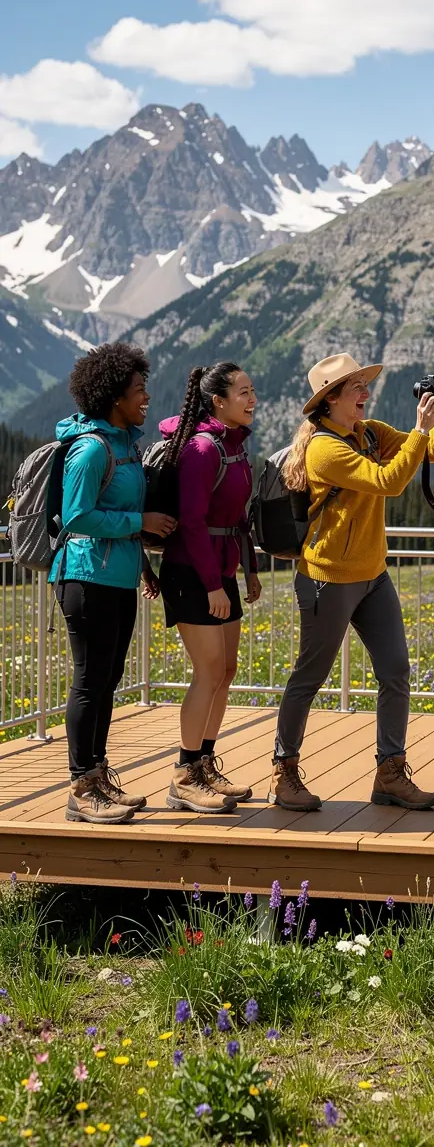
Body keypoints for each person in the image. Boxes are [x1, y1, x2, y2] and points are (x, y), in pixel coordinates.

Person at [267, 352, 434, 812]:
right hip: (328, 580)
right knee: (309, 678)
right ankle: (284, 772)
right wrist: (418, 429)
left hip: (373, 577)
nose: (365, 393)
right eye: (355, 388)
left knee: (395, 671)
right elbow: (389, 481)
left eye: (363, 385)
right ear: (329, 401)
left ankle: (390, 773)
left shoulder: (368, 432)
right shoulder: (323, 449)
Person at [53, 343, 177, 824]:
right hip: (84, 577)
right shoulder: (90, 450)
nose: (146, 396)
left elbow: (116, 515)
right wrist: (139, 520)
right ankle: (81, 786)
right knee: (89, 681)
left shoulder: (125, 443)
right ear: (113, 397)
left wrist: (145, 567)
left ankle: (99, 775)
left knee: (108, 680)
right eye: (138, 389)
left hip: (117, 577)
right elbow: (77, 515)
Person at [158, 363, 262, 815]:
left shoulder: (233, 448)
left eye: (252, 390)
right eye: (243, 392)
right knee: (209, 670)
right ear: (218, 401)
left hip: (222, 573)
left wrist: (251, 570)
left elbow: (239, 518)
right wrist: (210, 586)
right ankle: (184, 775)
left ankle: (204, 761)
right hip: (191, 572)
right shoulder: (202, 450)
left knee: (227, 670)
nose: (252, 399)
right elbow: (194, 523)